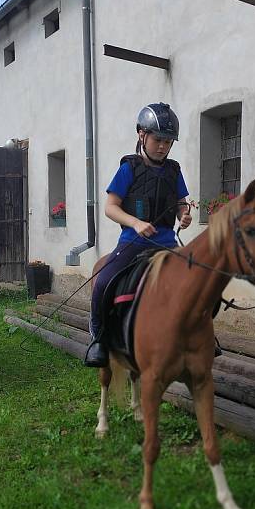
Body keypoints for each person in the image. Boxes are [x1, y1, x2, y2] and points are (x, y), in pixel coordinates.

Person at [84, 102, 192, 367]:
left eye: (168, 142)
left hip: (167, 243)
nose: (163, 147)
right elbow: (111, 207)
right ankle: (98, 338)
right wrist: (135, 223)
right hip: (133, 242)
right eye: (158, 140)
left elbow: (180, 202)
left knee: (196, 282)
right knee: (103, 281)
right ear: (141, 134)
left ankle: (198, 337)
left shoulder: (174, 171)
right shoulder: (128, 169)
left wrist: (184, 215)